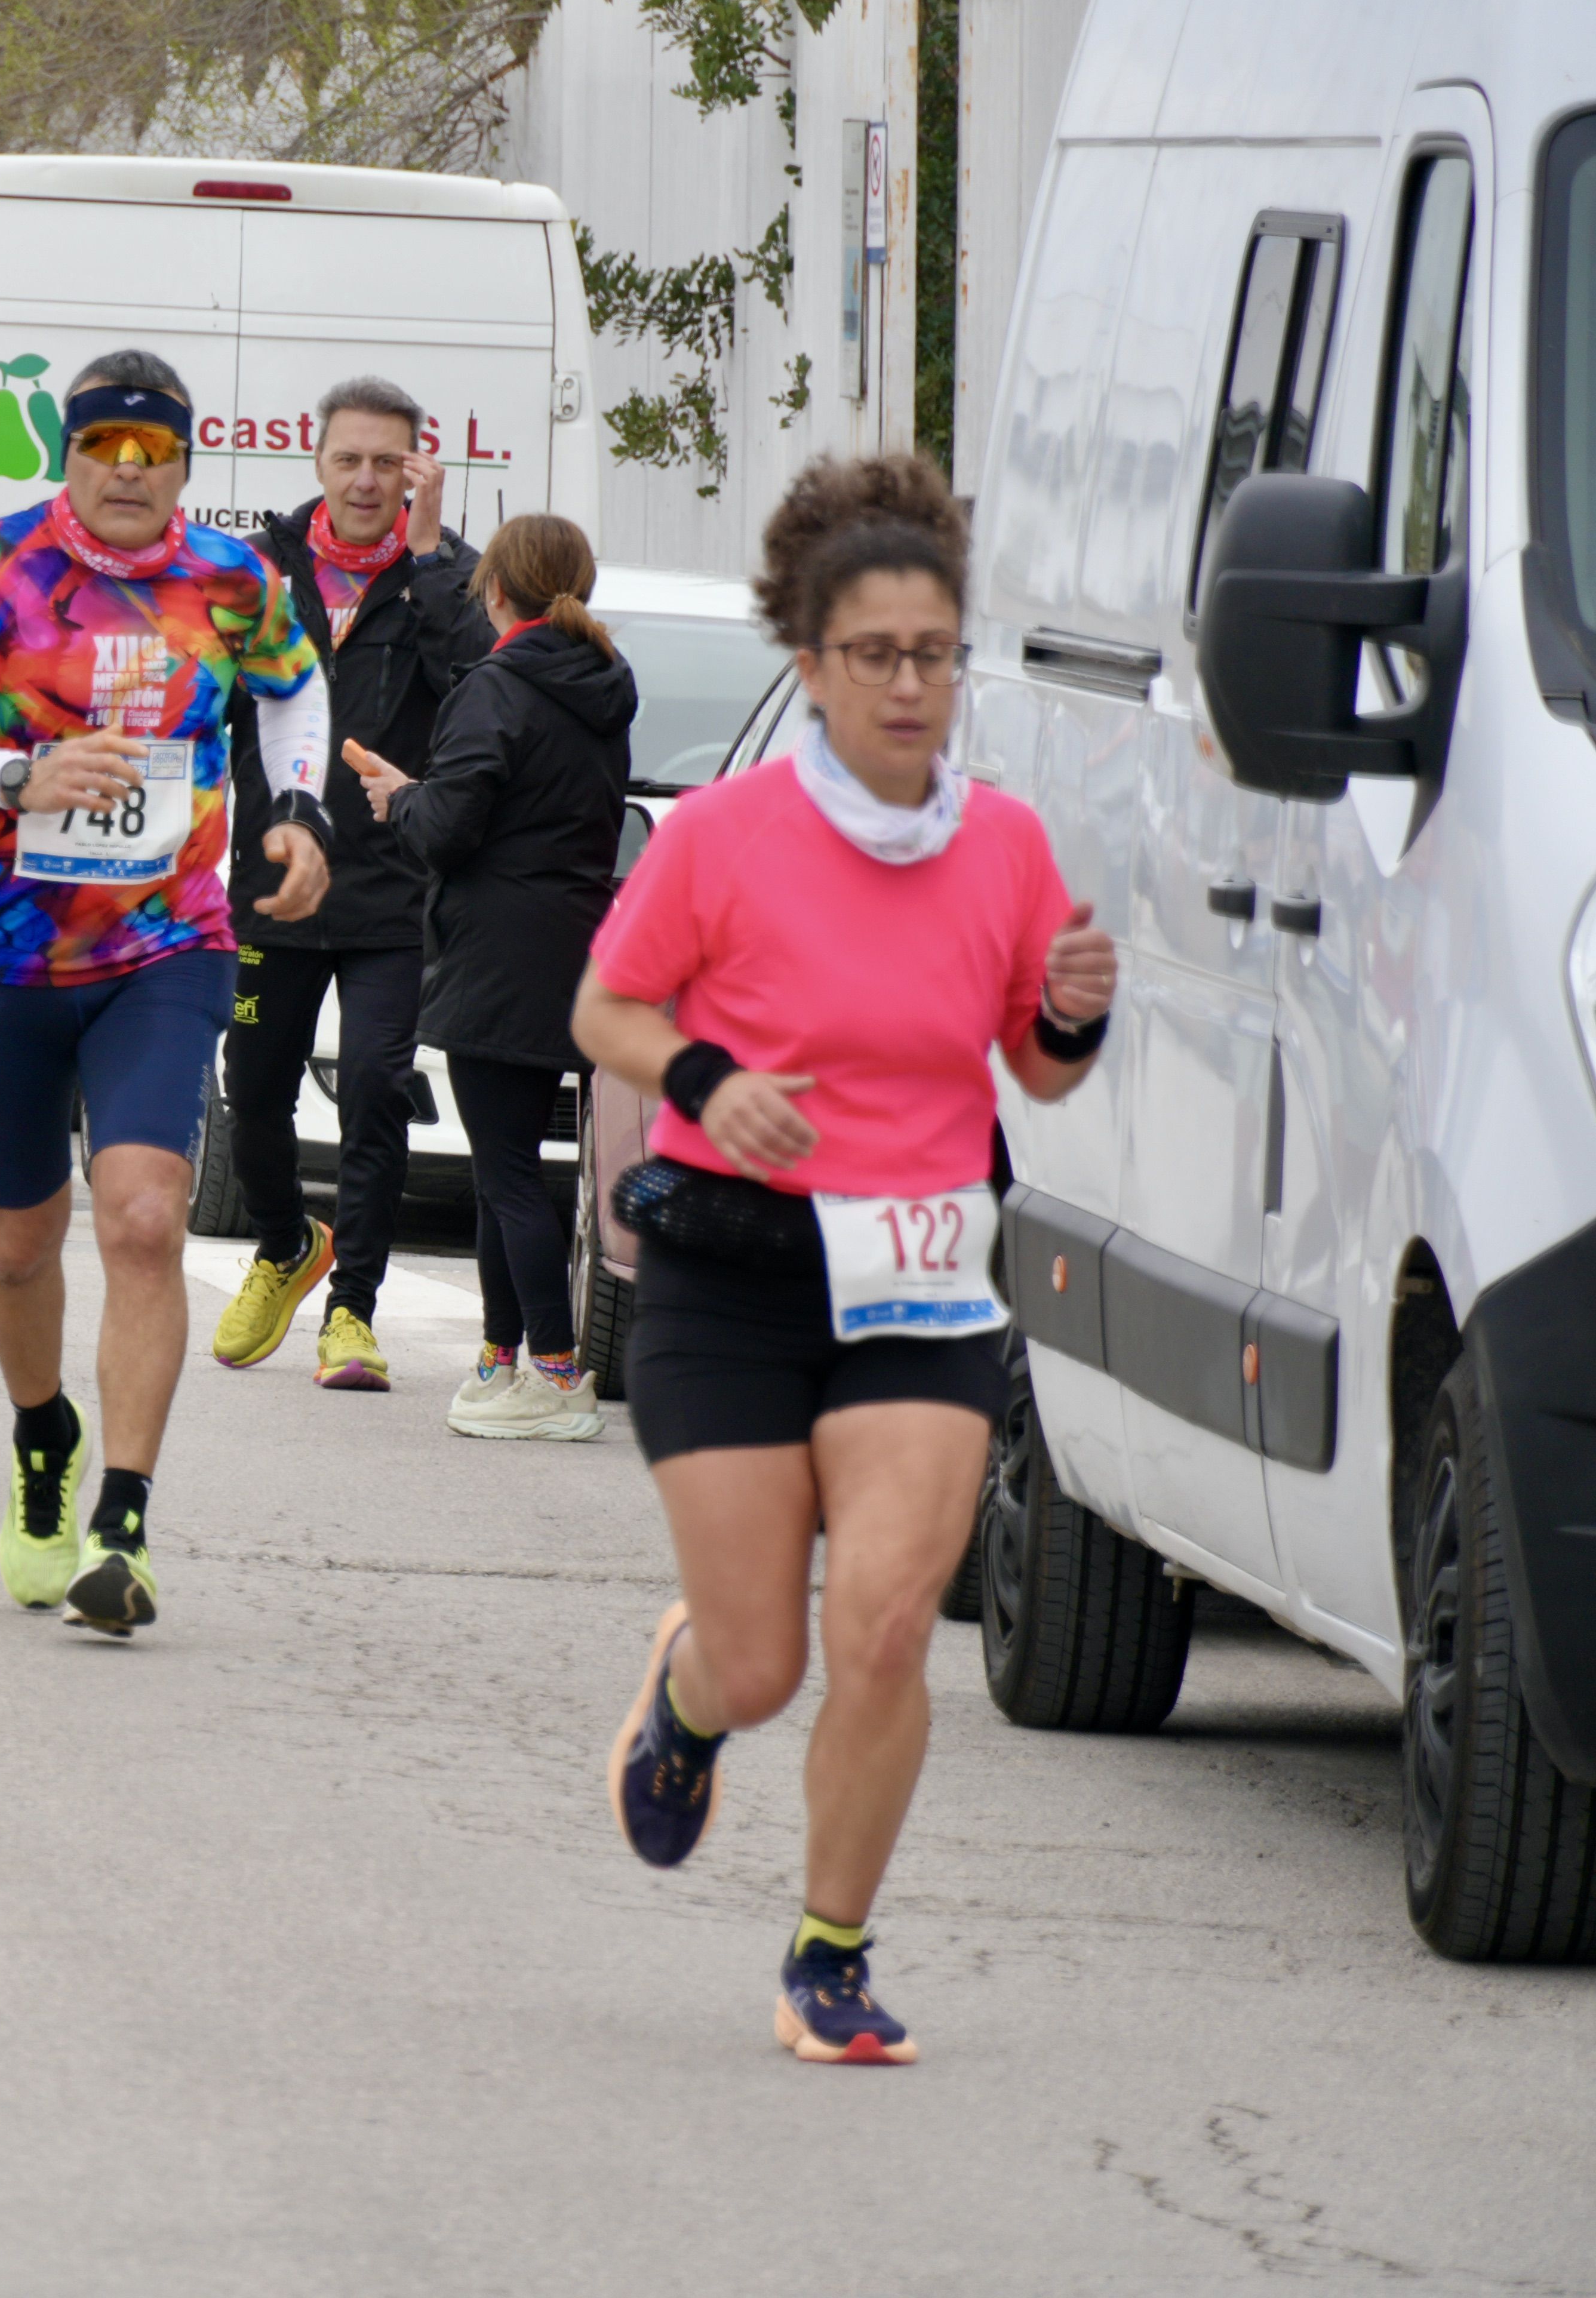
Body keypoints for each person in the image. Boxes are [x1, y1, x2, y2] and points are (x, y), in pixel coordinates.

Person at [573, 454, 1115, 2067]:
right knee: (765, 1657)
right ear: (808, 663)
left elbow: (1041, 1068)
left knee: (886, 1625)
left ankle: (833, 1954)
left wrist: (1075, 1009)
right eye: (873, 655)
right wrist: (705, 1086)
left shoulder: (1007, 845)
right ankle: (686, 1697)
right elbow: (605, 1009)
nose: (907, 685)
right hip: (734, 1276)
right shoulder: (727, 838)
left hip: (922, 1286)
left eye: (934, 655)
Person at [0, 349, 333, 1637]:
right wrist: (10, 780)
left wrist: (296, 812)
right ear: (71, 456)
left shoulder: (233, 581)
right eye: (105, 450)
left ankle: (122, 1521)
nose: (129, 474)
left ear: (184, 464)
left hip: (168, 944)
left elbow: (294, 693)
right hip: (2, 951)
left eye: (154, 454)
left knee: (141, 1219)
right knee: (19, 1245)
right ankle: (43, 1437)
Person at [205, 377, 490, 1391]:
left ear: (418, 467)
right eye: (349, 460)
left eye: (389, 462)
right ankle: (284, 1244)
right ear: (316, 463)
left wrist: (426, 552)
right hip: (273, 881)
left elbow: (488, 677)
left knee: (374, 1091)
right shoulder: (259, 572)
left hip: (390, 894)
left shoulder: (447, 576)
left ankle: (352, 1312)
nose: (367, 480)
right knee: (255, 1096)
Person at [345, 514, 638, 1438]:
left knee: (508, 1171)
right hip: (571, 948)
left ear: (497, 592)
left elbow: (451, 830)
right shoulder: (601, 683)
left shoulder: (497, 687)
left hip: (497, 952)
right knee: (502, 1165)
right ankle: (501, 1359)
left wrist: (403, 799)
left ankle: (554, 1375)